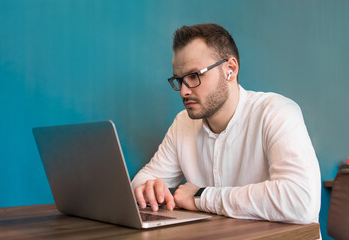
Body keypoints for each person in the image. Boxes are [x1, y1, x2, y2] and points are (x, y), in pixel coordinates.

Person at [131, 23, 321, 224]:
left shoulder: (277, 111)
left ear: (230, 69)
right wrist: (147, 188)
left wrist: (201, 196)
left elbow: (301, 201)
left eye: (194, 76)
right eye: (179, 80)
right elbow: (143, 180)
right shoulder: (183, 123)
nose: (184, 91)